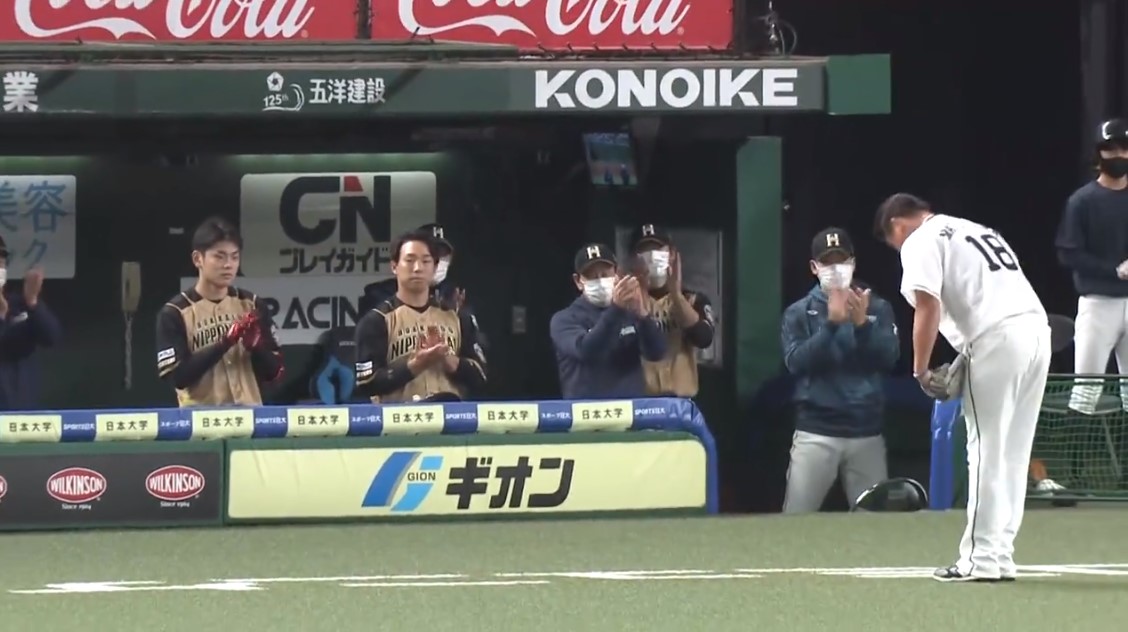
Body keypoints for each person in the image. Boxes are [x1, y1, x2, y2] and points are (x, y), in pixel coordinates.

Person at [875, 193, 1050, 583]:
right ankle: (1000, 554)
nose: (899, 247)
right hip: (1038, 333)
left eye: (894, 241)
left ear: (898, 225)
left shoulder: (920, 239)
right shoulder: (976, 229)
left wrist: (920, 370)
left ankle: (980, 558)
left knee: (985, 449)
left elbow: (927, 304)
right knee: (1013, 452)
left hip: (996, 340)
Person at [779, 227, 900, 513]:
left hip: (866, 433)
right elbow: (795, 363)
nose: (835, 269)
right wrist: (832, 326)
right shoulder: (799, 312)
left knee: (875, 523)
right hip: (816, 433)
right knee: (796, 518)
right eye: (827, 262)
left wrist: (862, 326)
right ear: (814, 267)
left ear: (853, 263)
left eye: (841, 261)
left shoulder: (876, 307)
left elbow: (888, 359)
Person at [156, 217, 284, 406]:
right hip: (200, 419)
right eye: (219, 256)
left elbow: (275, 374)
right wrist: (225, 343)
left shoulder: (252, 305)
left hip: (250, 416)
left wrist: (257, 347)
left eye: (234, 257)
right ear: (198, 259)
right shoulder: (175, 313)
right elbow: (178, 378)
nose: (228, 265)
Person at [353, 230, 486, 403]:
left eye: (426, 261)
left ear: (434, 268)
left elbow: (481, 376)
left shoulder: (458, 318)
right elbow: (366, 383)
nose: (418, 268)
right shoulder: (377, 320)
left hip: (450, 415)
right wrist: (415, 364)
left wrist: (449, 360)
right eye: (410, 260)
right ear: (394, 266)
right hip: (399, 417)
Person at [1055, 117, 1128, 413]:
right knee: (1086, 390)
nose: (1119, 155)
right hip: (1098, 303)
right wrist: (1114, 270)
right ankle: (1077, 445)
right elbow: (1069, 253)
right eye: (1112, 149)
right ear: (1099, 153)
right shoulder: (1082, 201)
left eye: (1124, 148)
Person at [549, 243, 666, 399]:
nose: (600, 281)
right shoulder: (564, 319)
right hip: (587, 411)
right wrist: (616, 309)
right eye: (592, 277)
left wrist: (642, 315)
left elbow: (656, 353)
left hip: (630, 409)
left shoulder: (630, 311)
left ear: (616, 274)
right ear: (578, 281)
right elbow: (587, 351)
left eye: (605, 274)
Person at [360, 223, 486, 349]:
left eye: (443, 255)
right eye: (432, 254)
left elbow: (479, 346)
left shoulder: (456, 295)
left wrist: (458, 318)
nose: (438, 260)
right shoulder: (379, 293)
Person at [628, 224, 715, 397]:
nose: (652, 256)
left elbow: (703, 338)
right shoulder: (625, 303)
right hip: (641, 402)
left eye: (658, 249)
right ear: (633, 259)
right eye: (645, 250)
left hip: (680, 402)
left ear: (672, 254)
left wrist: (675, 293)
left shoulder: (692, 299)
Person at [0, 237, 63, 410]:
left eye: (1, 260)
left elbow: (51, 337)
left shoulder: (20, 304)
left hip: (21, 414)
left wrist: (33, 302)